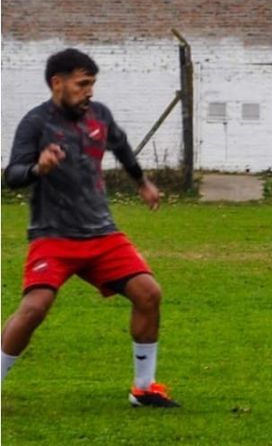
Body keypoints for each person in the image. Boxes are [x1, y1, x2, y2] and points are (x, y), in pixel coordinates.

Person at [1, 48, 179, 407]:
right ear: (58, 83)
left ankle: (144, 388)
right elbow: (11, 176)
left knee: (149, 294)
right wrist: (39, 168)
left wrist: (141, 182)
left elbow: (121, 146)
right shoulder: (36, 123)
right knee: (35, 307)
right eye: (82, 84)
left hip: (102, 235)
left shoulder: (99, 115)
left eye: (92, 84)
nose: (89, 92)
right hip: (53, 236)